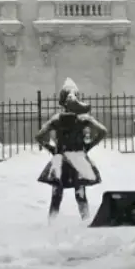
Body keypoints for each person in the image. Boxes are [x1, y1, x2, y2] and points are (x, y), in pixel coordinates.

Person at [35, 78, 108, 221]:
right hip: (78, 158)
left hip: (60, 159)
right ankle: (85, 220)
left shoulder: (56, 120)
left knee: (56, 195)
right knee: (80, 194)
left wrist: (52, 149)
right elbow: (103, 131)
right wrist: (88, 146)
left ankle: (52, 222)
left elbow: (39, 137)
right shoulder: (83, 119)